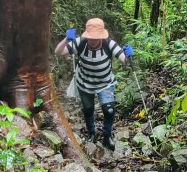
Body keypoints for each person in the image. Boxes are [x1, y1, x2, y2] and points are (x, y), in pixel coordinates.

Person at [55, 17, 133, 151]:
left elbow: (124, 61)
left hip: (105, 83)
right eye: (91, 37)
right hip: (85, 83)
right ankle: (91, 133)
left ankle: (107, 136)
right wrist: (66, 40)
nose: (93, 40)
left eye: (96, 38)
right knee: (88, 109)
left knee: (109, 110)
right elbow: (58, 52)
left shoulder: (109, 44)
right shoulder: (80, 43)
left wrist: (128, 56)